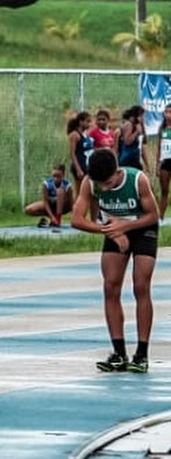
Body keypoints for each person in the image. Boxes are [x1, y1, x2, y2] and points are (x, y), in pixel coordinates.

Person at [70, 146, 159, 373]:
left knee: (141, 286)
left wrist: (125, 226)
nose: (103, 188)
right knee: (110, 286)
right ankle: (118, 352)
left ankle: (141, 353)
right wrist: (109, 231)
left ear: (117, 172)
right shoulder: (90, 183)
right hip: (113, 230)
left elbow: (153, 215)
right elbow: (76, 220)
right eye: (99, 184)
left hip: (142, 228)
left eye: (108, 183)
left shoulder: (137, 180)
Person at [26, 163, 73, 229]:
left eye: (58, 176)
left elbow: (71, 203)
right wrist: (51, 217)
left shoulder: (67, 185)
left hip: (63, 206)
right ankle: (50, 219)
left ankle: (58, 219)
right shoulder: (46, 184)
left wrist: (73, 217)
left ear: (63, 175)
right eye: (54, 176)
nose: (56, 179)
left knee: (60, 191)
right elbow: (45, 202)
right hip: (50, 206)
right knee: (29, 209)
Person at [117, 106, 150, 174]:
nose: (143, 118)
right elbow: (127, 141)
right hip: (127, 160)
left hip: (135, 159)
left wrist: (142, 125)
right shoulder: (128, 124)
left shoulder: (138, 125)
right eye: (141, 116)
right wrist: (136, 132)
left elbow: (144, 141)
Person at [67, 110, 93, 188]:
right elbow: (72, 153)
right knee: (80, 190)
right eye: (87, 121)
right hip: (79, 166)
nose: (89, 124)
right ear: (80, 122)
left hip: (86, 165)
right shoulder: (75, 135)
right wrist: (78, 169)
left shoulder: (85, 134)